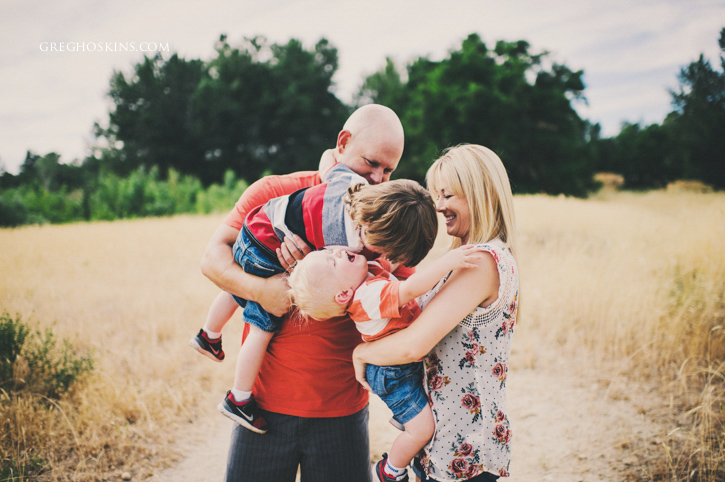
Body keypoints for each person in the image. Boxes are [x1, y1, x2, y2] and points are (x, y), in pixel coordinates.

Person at [200, 104, 408, 482]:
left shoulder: (384, 219)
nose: (378, 178)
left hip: (342, 413)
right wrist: (264, 289)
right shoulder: (276, 190)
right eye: (371, 163)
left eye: (389, 171)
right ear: (343, 142)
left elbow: (405, 301)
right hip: (263, 409)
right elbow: (213, 259)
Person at [193, 175, 436, 434]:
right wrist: (287, 281)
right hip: (267, 248)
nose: (383, 254)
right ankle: (238, 398)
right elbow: (324, 278)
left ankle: (209, 333)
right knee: (261, 325)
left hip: (256, 230)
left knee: (239, 286)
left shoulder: (348, 187)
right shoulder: (347, 243)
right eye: (384, 247)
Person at [352, 144, 519, 481]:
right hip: (446, 439)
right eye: (437, 195)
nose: (439, 206)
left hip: (466, 449)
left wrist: (361, 353)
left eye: (448, 195)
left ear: (478, 194)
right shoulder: (464, 256)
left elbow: (415, 345)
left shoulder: (482, 262)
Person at [288, 243, 480, 482]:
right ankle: (391, 469)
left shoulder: (367, 270)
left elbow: (396, 257)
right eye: (332, 262)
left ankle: (405, 414)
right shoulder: (367, 297)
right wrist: (448, 262)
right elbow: (409, 289)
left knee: (425, 412)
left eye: (328, 251)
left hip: (399, 361)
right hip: (393, 372)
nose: (335, 252)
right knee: (422, 430)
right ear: (344, 295)